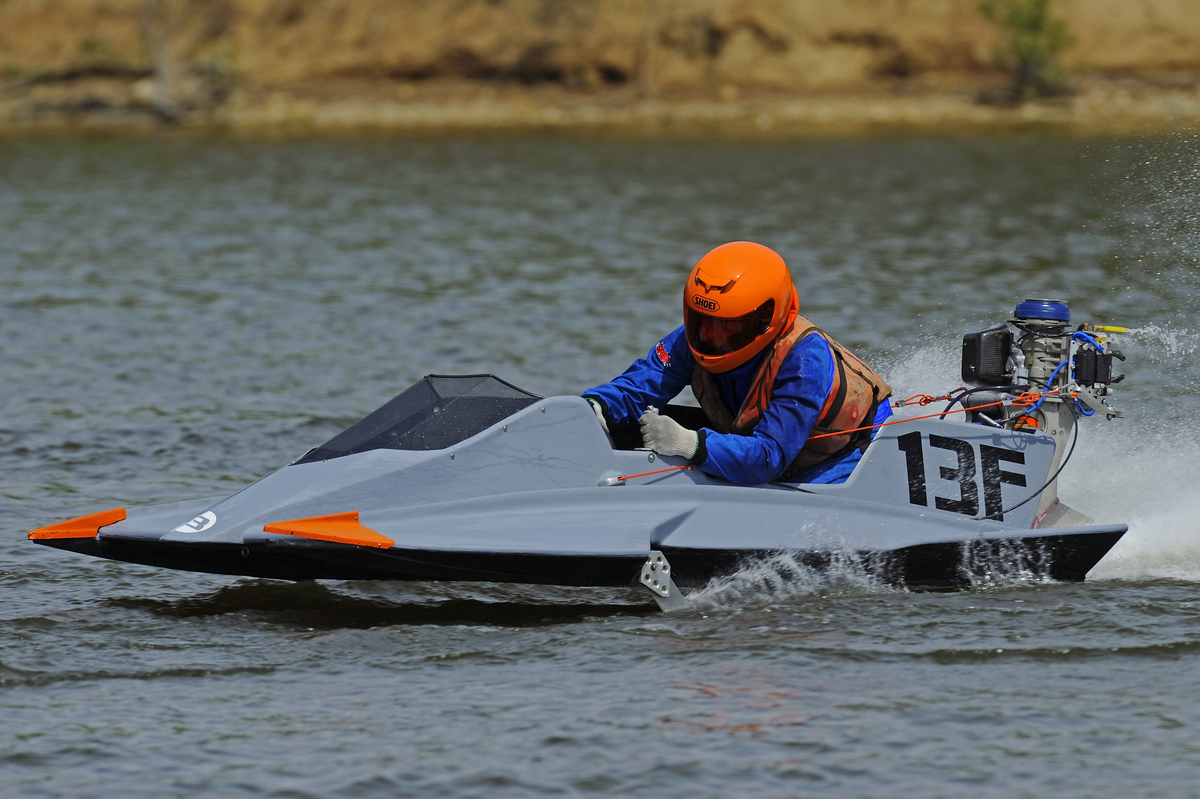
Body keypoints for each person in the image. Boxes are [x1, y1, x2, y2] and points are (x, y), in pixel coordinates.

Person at [582, 241, 893, 485]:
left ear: (764, 320)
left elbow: (769, 458)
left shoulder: (804, 360)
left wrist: (687, 443)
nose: (713, 336)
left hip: (848, 454)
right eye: (704, 321)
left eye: (728, 325)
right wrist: (595, 407)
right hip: (761, 449)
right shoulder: (697, 339)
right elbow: (640, 385)